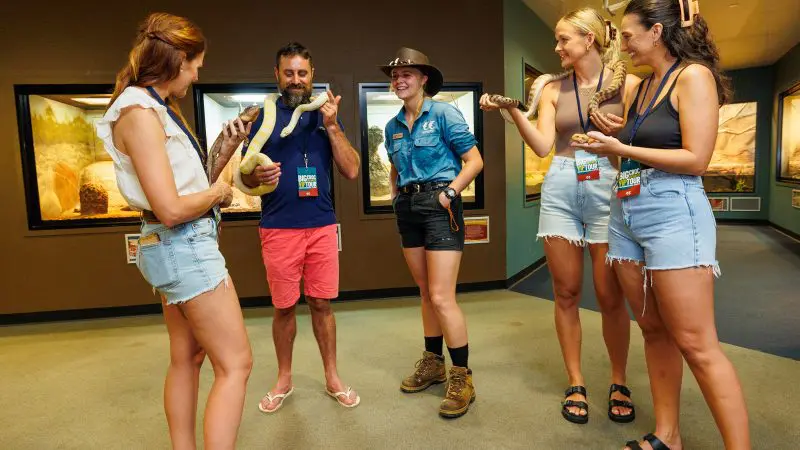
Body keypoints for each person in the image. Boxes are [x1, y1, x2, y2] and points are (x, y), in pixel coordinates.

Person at [571, 1, 751, 448]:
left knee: (696, 343)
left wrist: (624, 147)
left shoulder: (692, 76)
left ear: (656, 32)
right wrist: (612, 140)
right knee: (651, 328)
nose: (623, 44)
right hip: (626, 210)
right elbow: (631, 154)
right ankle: (669, 436)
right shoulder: (641, 88)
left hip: (673, 210)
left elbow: (696, 159)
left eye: (628, 35)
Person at [96, 12, 252, 449]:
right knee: (236, 363)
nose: (198, 74)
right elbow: (169, 207)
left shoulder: (149, 107)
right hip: (184, 246)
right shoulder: (140, 112)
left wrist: (225, 147)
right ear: (178, 60)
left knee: (187, 357)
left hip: (172, 248)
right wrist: (221, 192)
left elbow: (181, 183)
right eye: (196, 64)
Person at [480, 7, 638, 425]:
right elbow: (542, 146)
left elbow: (642, 140)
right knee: (566, 292)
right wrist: (513, 111)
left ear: (589, 40)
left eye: (563, 39)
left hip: (608, 183)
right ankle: (576, 381)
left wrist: (620, 136)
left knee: (609, 296)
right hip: (562, 186)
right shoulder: (551, 88)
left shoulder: (633, 85)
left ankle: (619, 379)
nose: (556, 47)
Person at [241, 42, 362, 413]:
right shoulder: (262, 116)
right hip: (278, 227)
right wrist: (255, 176)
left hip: (321, 225)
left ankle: (332, 377)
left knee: (322, 303)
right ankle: (284, 379)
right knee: (284, 307)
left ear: (312, 75)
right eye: (289, 73)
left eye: (302, 73)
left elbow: (352, 169)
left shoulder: (324, 113)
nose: (296, 80)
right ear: (277, 75)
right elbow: (244, 181)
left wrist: (331, 127)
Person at [379, 47, 484, 418]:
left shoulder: (443, 113)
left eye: (407, 73)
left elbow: (474, 161)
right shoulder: (392, 126)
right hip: (408, 209)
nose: (399, 80)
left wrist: (450, 194)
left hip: (440, 206)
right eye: (395, 75)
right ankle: (433, 363)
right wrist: (395, 197)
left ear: (424, 79)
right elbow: (394, 166)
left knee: (442, 296)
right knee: (425, 292)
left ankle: (461, 377)